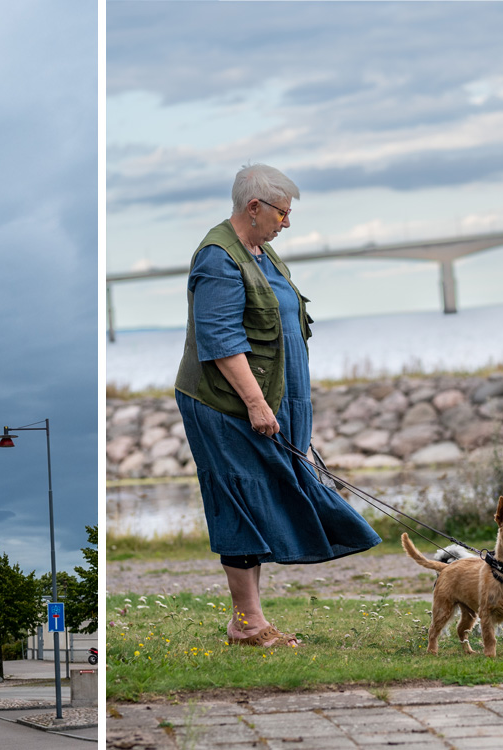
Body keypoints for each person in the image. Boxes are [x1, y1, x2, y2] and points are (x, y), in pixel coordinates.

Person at [175, 163, 381, 648]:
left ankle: (248, 620)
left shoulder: (262, 254)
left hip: (271, 400)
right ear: (255, 208)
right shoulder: (217, 258)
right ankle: (247, 624)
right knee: (241, 501)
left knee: (269, 497)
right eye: (282, 214)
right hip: (227, 405)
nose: (286, 223)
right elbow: (221, 340)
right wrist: (255, 404)